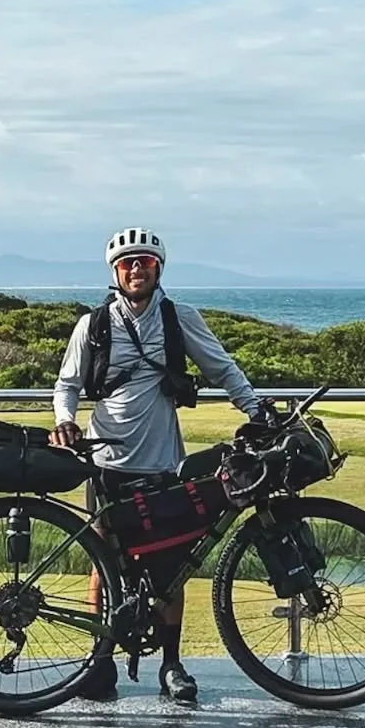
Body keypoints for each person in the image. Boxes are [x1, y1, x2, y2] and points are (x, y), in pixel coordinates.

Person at [51, 226, 273, 702]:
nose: (136, 269)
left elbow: (222, 368)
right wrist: (65, 420)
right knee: (103, 560)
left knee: (171, 565)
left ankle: (171, 666)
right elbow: (66, 384)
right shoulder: (94, 325)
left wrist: (256, 410)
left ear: (158, 268)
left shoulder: (179, 318)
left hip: (162, 461)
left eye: (145, 262)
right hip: (106, 458)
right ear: (115, 271)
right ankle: (100, 661)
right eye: (128, 263)